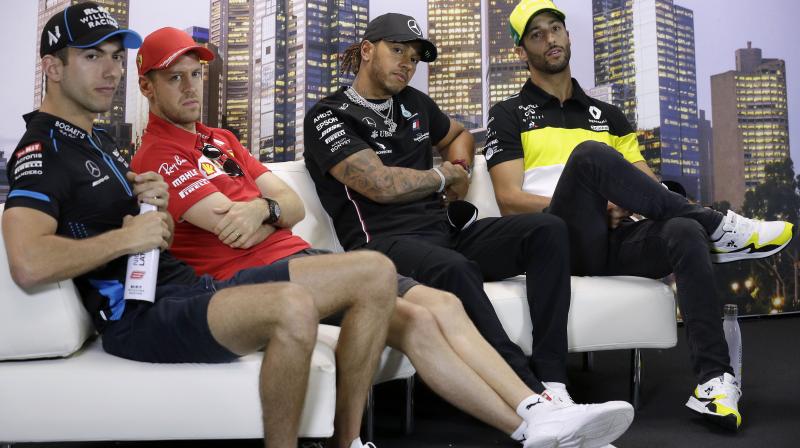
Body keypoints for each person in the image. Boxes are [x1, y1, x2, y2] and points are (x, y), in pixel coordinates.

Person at [1, 4, 398, 448]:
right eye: (92, 56)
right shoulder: (43, 148)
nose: (110, 70)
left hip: (180, 285)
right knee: (292, 307)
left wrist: (148, 200)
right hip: (136, 316)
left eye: (115, 56)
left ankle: (348, 443)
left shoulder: (97, 140)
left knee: (375, 272)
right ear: (52, 68)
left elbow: (109, 218)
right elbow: (28, 261)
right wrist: (127, 237)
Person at [300, 13, 635, 448]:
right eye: (397, 50)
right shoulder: (329, 115)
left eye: (415, 56)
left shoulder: (414, 104)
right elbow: (379, 185)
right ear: (368, 50)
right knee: (455, 269)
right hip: (381, 247)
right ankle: (533, 400)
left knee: (547, 230)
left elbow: (459, 137)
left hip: (442, 232)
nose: (407, 63)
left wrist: (457, 167)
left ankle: (555, 385)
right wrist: (442, 180)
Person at [485, 0, 795, 432]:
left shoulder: (608, 115)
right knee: (591, 156)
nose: (550, 38)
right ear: (522, 52)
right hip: (554, 242)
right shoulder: (508, 114)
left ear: (568, 36)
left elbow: (646, 186)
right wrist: (590, 201)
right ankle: (720, 226)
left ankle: (713, 382)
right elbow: (509, 199)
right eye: (536, 34)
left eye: (556, 28)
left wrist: (618, 202)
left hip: (613, 241)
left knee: (683, 229)